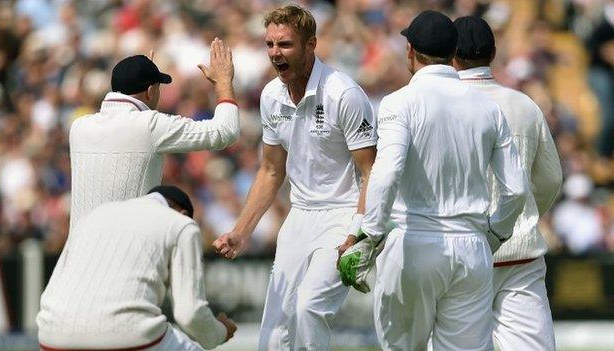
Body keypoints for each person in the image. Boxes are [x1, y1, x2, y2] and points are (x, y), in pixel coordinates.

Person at [342, 10, 527, 350]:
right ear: (452, 51)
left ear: (410, 50)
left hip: (414, 243)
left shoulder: (399, 102)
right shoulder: (487, 108)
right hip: (472, 249)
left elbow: (387, 172)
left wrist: (369, 236)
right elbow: (516, 188)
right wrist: (495, 234)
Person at [212, 5, 377, 350]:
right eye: (270, 44)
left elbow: (370, 171)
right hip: (299, 217)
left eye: (285, 45)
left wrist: (359, 231)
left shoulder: (343, 94)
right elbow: (271, 170)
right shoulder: (271, 96)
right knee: (272, 333)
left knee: (309, 308)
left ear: (311, 44)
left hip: (342, 215)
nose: (275, 53)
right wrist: (242, 231)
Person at [453, 16, 562, 350]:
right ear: (494, 52)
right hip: (521, 256)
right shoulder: (524, 104)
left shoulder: (440, 105)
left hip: (461, 253)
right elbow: (550, 178)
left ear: (450, 56)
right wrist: (518, 216)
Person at [36, 185, 237, 350]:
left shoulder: (93, 215)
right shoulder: (182, 224)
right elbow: (189, 313)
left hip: (51, 334)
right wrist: (219, 332)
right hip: (126, 334)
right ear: (183, 213)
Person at [69, 38, 239, 230]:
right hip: (125, 254)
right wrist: (224, 82)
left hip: (76, 254)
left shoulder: (78, 127)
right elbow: (226, 131)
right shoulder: (151, 126)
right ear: (150, 91)